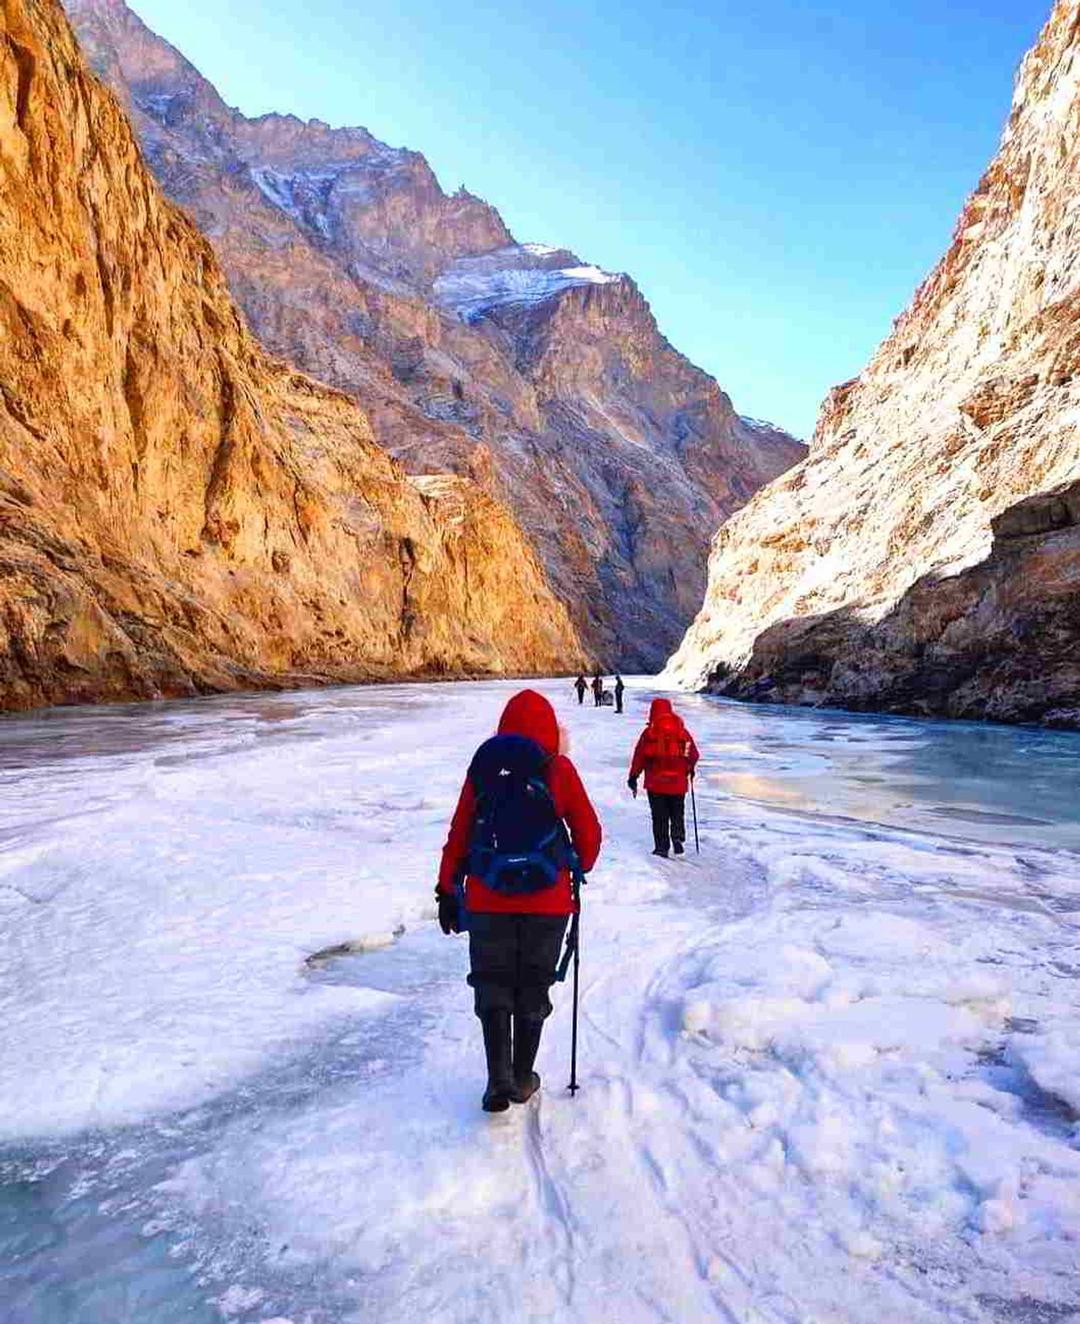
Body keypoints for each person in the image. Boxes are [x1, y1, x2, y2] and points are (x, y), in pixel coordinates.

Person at [438, 690, 602, 1112]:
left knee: (491, 981)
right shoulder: (559, 769)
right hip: (547, 903)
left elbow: (459, 833)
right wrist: (575, 865)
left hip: (488, 899)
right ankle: (522, 1077)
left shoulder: (484, 769)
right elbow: (589, 835)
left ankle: (497, 1079)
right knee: (533, 982)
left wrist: (446, 889)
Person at [627, 697, 699, 858]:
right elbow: (691, 753)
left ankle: (661, 847)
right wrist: (689, 768)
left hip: (656, 783)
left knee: (659, 816)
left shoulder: (649, 733)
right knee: (677, 812)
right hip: (678, 783)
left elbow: (639, 757)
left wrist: (633, 776)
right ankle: (678, 837)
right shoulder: (682, 732)